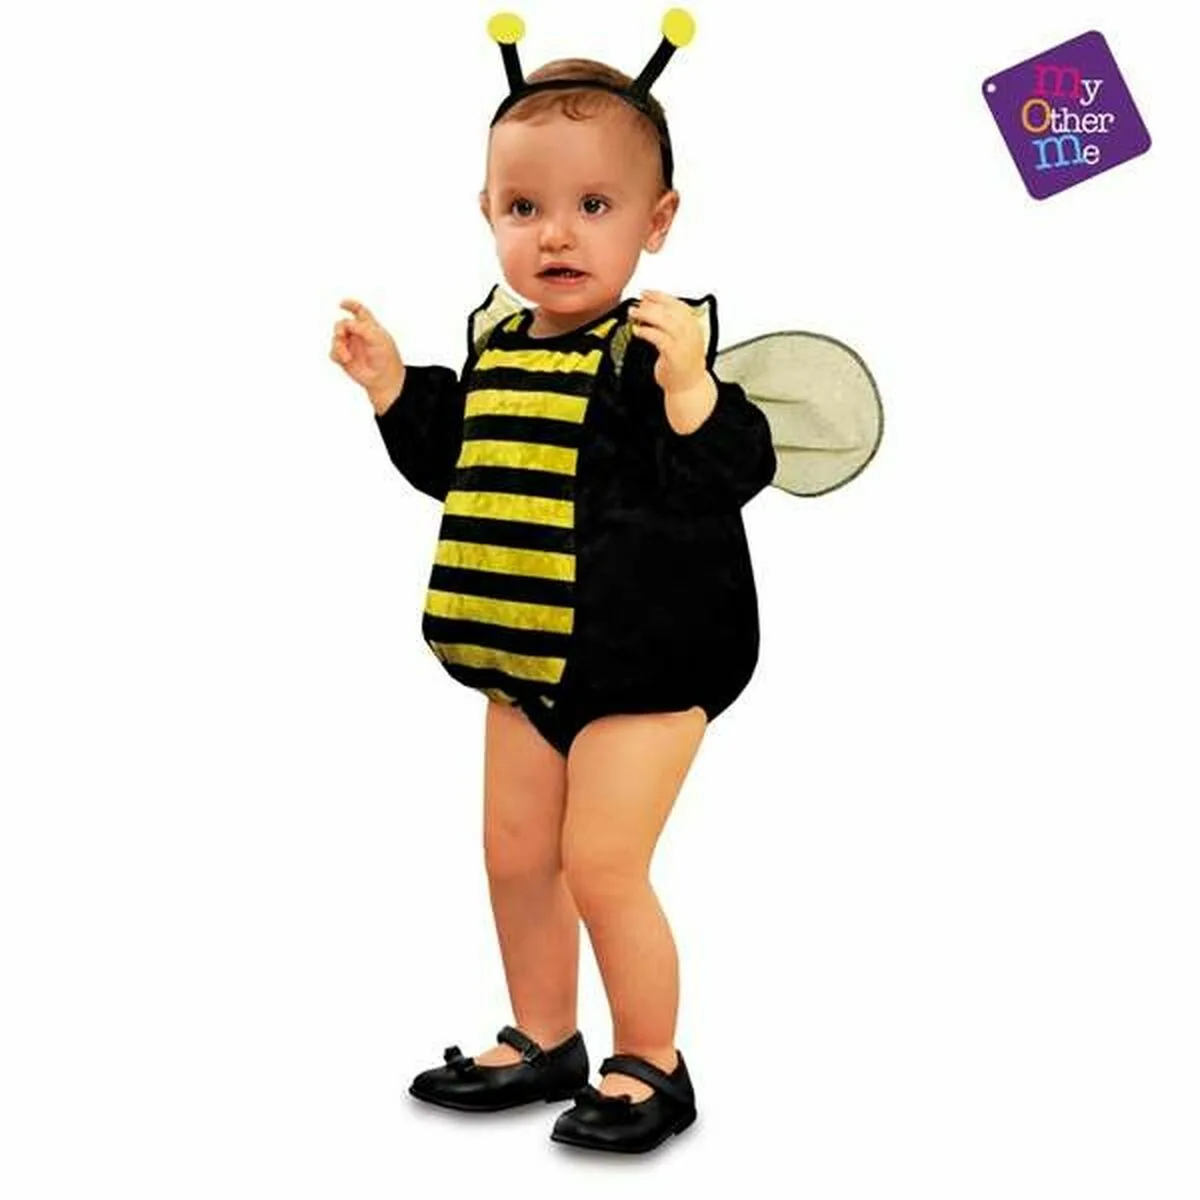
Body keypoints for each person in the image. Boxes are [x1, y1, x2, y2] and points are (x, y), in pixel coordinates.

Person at [329, 11, 775, 1154]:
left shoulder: (654, 355)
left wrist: (693, 394)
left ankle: (651, 1061)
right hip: (522, 656)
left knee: (602, 862)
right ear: (487, 212)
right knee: (517, 858)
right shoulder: (499, 345)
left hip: (646, 664)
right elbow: (464, 462)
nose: (557, 234)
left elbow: (734, 469)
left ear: (657, 221)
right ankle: (544, 1035)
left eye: (595, 205)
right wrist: (393, 390)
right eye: (525, 208)